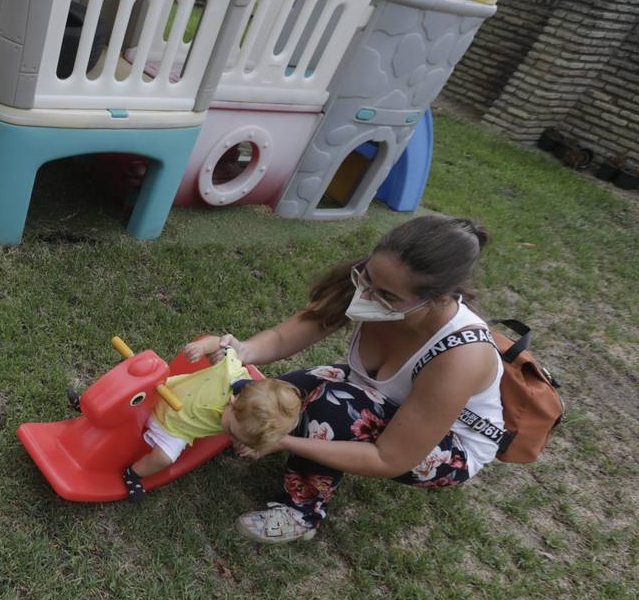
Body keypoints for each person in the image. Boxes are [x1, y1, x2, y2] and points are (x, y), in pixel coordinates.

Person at [187, 214, 504, 544]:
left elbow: (388, 458)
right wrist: (240, 351)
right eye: (365, 277)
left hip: (446, 447)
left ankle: (301, 513)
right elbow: (288, 336)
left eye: (385, 295)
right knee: (284, 391)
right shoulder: (380, 284)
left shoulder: (460, 358)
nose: (365, 296)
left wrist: (280, 440)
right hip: (376, 396)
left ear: (437, 298)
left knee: (331, 410)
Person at [109, 345, 302, 502]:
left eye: (238, 438)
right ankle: (90, 404)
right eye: (232, 433)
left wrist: (245, 442)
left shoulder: (244, 419)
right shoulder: (230, 371)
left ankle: (132, 474)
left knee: (164, 458)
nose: (231, 438)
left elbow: (245, 431)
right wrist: (201, 347)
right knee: (129, 396)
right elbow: (218, 344)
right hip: (162, 394)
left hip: (175, 430)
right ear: (233, 403)